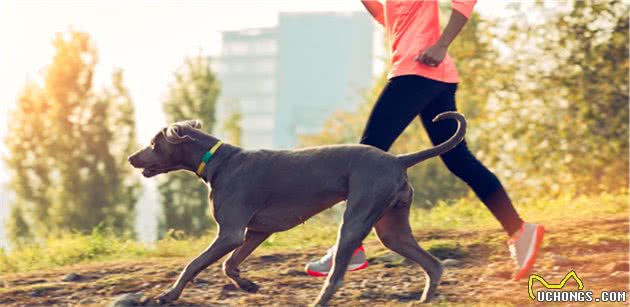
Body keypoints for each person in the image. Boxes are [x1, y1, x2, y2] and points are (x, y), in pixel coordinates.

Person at [305, 0, 545, 280]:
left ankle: (350, 248)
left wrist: (442, 45)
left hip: (417, 73)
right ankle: (519, 230)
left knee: (365, 157)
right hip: (428, 74)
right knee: (458, 159)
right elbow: (389, 18)